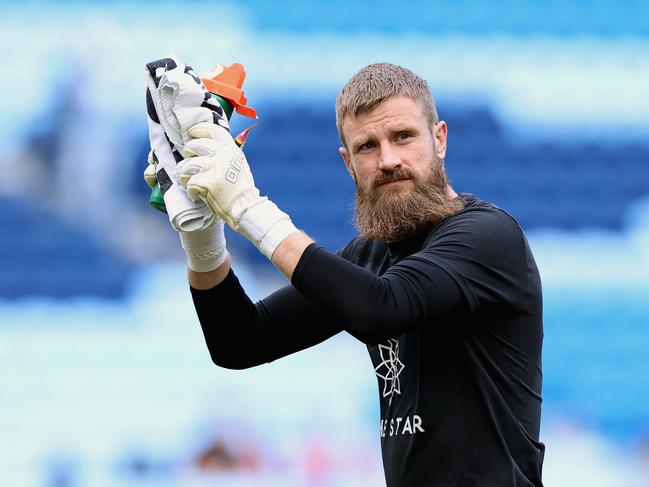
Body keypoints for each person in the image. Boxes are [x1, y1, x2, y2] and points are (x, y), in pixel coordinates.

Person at [146, 63, 545, 486]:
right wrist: (203, 235)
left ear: (439, 139)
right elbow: (240, 342)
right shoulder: (370, 256)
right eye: (367, 146)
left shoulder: (487, 236)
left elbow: (380, 309)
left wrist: (246, 206)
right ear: (348, 163)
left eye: (403, 137)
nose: (388, 159)